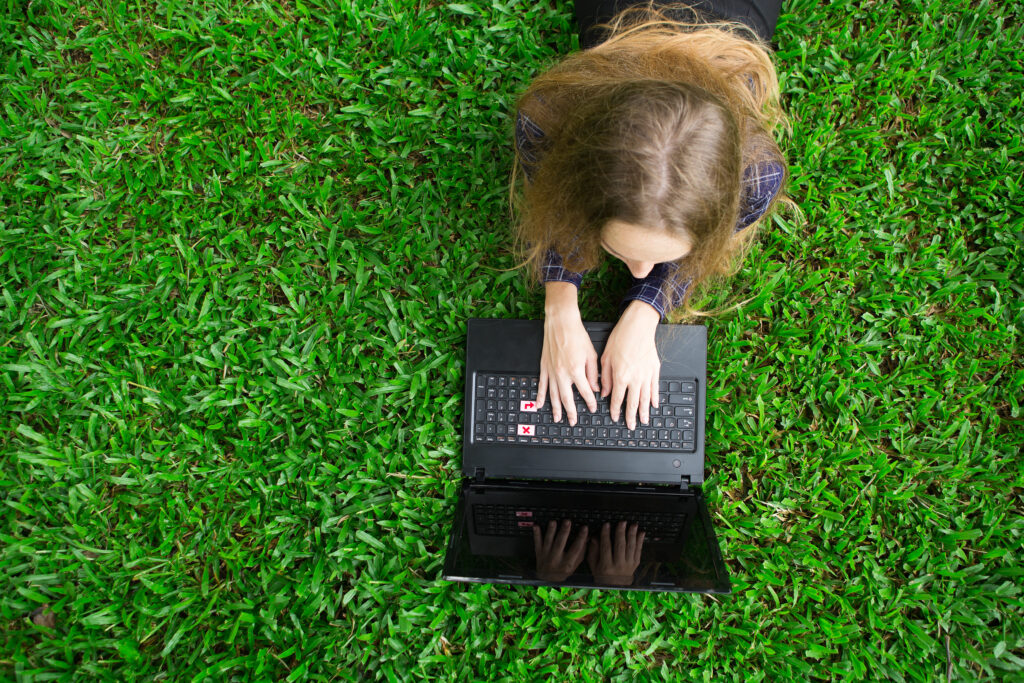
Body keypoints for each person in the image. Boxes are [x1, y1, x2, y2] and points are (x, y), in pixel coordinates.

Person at [512, 1, 788, 431]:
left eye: (666, 255)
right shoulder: (545, 120)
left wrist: (646, 312)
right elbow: (559, 209)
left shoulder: (756, 177)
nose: (641, 272)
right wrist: (559, 306)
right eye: (620, 248)